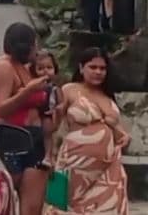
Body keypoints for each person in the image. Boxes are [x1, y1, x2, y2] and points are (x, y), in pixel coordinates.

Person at [45, 47, 129, 214]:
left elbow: (116, 128)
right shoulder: (69, 89)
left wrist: (124, 136)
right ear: (82, 68)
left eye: (102, 68)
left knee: (108, 207)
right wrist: (50, 156)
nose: (98, 72)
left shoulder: (107, 96)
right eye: (93, 67)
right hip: (72, 160)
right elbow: (53, 126)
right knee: (58, 204)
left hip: (107, 165)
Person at [0, 22, 50, 215]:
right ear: (26, 46)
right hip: (13, 138)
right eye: (34, 45)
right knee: (5, 200)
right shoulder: (4, 67)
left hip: (35, 138)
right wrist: (29, 91)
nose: (37, 50)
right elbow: (0, 108)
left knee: (32, 206)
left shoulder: (24, 67)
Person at [29, 50, 64, 168]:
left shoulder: (54, 88)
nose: (45, 71)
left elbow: (61, 103)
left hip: (48, 114)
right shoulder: (33, 86)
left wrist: (58, 110)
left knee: (48, 134)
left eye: (49, 67)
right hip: (35, 115)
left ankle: (48, 155)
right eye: (41, 68)